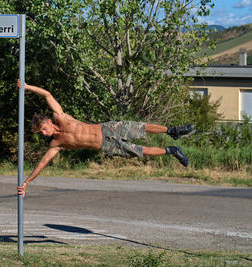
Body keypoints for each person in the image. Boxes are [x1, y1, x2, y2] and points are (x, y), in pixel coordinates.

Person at [17, 80, 194, 198]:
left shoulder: (62, 117)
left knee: (140, 127)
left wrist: (27, 87)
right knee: (142, 151)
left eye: (43, 129)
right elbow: (42, 164)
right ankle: (172, 151)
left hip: (106, 128)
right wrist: (27, 182)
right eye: (41, 133)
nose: (44, 133)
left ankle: (173, 130)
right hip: (106, 145)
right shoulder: (56, 144)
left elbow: (47, 94)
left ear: (48, 122)